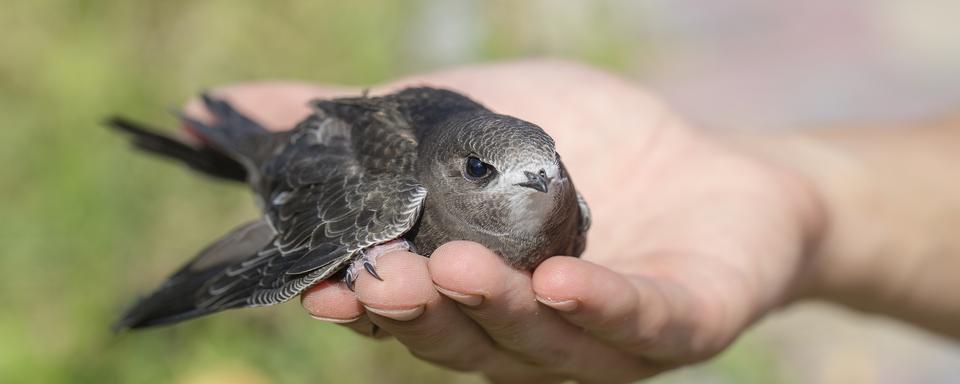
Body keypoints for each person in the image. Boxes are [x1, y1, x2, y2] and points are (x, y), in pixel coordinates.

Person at [185, 60, 960, 383]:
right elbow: (320, 208)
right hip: (346, 150)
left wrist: (804, 202)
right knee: (314, 252)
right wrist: (340, 238)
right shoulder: (394, 190)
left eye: (549, 167)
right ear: (460, 174)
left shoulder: (561, 202)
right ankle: (230, 140)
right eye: (496, 176)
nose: (544, 185)